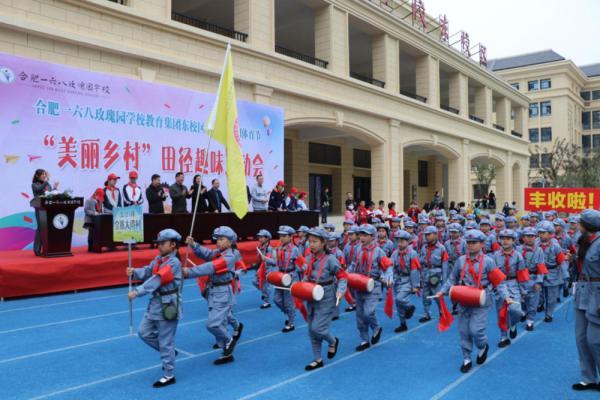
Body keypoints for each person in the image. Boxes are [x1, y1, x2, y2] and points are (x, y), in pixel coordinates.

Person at [437, 229, 510, 373]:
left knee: (476, 330)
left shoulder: (489, 261)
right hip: (464, 299)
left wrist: (506, 296)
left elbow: (499, 282)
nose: (470, 245)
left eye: (474, 243)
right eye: (468, 242)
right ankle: (466, 358)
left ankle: (482, 346)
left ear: (482, 244)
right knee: (464, 331)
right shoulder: (461, 260)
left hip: (481, 300)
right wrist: (442, 291)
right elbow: (452, 279)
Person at [126, 229, 183, 387]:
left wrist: (137, 292)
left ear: (173, 245)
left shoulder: (174, 262)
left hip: (168, 305)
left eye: (163, 243)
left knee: (165, 342)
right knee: (143, 332)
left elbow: (157, 278)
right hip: (155, 304)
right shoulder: (159, 258)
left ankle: (169, 374)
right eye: (158, 243)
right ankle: (170, 353)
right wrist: (135, 272)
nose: (159, 246)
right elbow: (149, 271)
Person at [184, 227, 243, 365]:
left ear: (230, 242)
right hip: (213, 290)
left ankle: (229, 342)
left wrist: (190, 271)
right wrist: (194, 244)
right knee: (221, 320)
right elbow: (207, 254)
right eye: (217, 239)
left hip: (222, 291)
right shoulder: (219, 252)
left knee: (213, 325)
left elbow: (212, 266)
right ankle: (226, 353)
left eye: (222, 239)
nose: (218, 241)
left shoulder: (231, 255)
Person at [301, 228, 347, 370]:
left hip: (326, 295)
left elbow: (342, 277)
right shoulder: (309, 258)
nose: (311, 245)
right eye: (310, 241)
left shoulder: (331, 259)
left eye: (315, 242)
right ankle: (317, 359)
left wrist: (340, 291)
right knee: (311, 329)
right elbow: (306, 276)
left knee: (318, 327)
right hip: (311, 294)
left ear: (323, 243)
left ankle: (333, 341)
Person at [348, 224, 393, 351]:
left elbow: (388, 266)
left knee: (369, 312)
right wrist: (345, 274)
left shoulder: (379, 252)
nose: (362, 237)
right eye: (361, 235)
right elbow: (353, 265)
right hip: (359, 284)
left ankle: (376, 327)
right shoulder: (358, 249)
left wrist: (389, 277)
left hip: (373, 285)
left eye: (365, 235)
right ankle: (364, 340)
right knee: (360, 315)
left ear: (373, 237)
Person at [572, 209, 600, 392]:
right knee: (581, 337)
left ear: (587, 225)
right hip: (582, 289)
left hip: (597, 292)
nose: (577, 224)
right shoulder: (582, 240)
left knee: (595, 339)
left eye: (580, 222)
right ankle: (588, 378)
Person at [262, 225, 304, 332]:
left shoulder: (295, 250)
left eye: (284, 236)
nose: (282, 238)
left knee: (289, 301)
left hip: (290, 278)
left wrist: (299, 277)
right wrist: (267, 259)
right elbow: (276, 262)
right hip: (280, 278)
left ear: (291, 237)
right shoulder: (278, 248)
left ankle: (291, 322)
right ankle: (290, 313)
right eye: (281, 235)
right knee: (277, 300)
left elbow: (303, 266)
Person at [492, 229, 527, 347]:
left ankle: (512, 324)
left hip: (513, 283)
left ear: (513, 241)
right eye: (503, 238)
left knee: (516, 310)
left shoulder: (518, 256)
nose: (505, 241)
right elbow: (493, 272)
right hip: (500, 284)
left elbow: (521, 273)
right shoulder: (495, 255)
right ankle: (503, 337)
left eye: (508, 239)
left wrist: (523, 290)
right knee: (500, 312)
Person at [537, 221, 568, 322]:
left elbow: (561, 261)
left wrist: (565, 276)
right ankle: (540, 304)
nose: (541, 235)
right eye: (540, 232)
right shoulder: (535, 244)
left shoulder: (555, 246)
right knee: (539, 295)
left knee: (551, 297)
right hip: (539, 273)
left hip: (553, 273)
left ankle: (549, 314)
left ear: (550, 234)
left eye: (543, 232)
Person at [391, 230, 420, 333]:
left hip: (407, 279)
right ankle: (403, 324)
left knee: (400, 298)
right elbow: (392, 267)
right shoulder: (395, 253)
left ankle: (410, 307)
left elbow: (414, 270)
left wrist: (415, 285)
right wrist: (390, 278)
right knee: (398, 305)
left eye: (402, 241)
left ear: (407, 242)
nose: (399, 244)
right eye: (398, 241)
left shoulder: (412, 254)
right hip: (398, 280)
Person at [518, 227, 547, 331]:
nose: (529, 238)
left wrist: (539, 281)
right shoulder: (518, 249)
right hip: (520, 279)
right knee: (522, 299)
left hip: (533, 277)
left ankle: (530, 320)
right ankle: (524, 312)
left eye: (532, 236)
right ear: (523, 237)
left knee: (533, 301)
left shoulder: (538, 250)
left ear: (535, 237)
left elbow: (541, 266)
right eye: (527, 236)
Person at [419, 226, 449, 322]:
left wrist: (444, 282)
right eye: (426, 235)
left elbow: (445, 266)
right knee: (425, 295)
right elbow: (421, 261)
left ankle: (442, 311)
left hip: (436, 275)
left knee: (437, 296)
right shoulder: (424, 247)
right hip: (425, 274)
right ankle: (426, 314)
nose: (427, 237)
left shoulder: (441, 248)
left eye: (429, 235)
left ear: (435, 235)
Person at [31, 169, 58, 255]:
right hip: (40, 209)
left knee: (47, 229)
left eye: (44, 174)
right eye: (42, 174)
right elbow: (39, 189)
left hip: (48, 209)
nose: (44, 175)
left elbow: (50, 194)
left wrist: (55, 187)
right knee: (40, 228)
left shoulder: (47, 184)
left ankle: (46, 248)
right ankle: (37, 250)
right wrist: (47, 181)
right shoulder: (34, 185)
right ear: (37, 176)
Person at [251, 229, 274, 309]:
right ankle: (265, 293)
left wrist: (266, 259)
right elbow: (259, 259)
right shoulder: (260, 247)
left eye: (261, 237)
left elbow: (274, 262)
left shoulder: (270, 249)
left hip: (268, 269)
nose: (259, 239)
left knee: (265, 285)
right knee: (254, 281)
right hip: (261, 268)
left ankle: (267, 302)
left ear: (267, 238)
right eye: (259, 237)